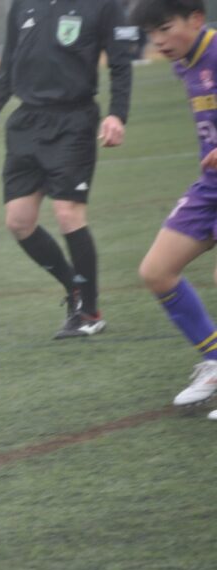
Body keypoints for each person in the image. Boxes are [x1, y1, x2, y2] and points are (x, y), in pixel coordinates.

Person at [0, 0, 136, 339]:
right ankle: (74, 287)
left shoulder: (102, 5)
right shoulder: (23, 5)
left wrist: (117, 114)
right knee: (19, 222)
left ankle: (89, 312)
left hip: (73, 121)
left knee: (67, 214)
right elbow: (8, 61)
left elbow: (120, 63)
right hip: (27, 122)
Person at [132, 0, 217, 414]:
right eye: (151, 34)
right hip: (210, 189)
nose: (158, 41)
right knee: (156, 271)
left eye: (165, 28)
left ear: (196, 19)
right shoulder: (185, 63)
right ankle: (216, 361)